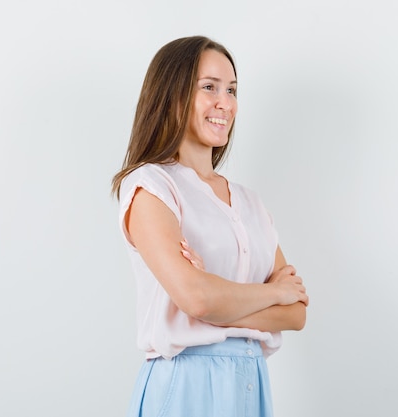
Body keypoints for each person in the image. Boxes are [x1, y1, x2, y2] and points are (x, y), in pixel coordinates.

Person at [111, 35, 309, 417]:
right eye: (209, 87)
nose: (226, 103)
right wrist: (270, 293)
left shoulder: (250, 202)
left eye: (232, 90)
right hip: (187, 384)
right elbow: (198, 299)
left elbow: (296, 312)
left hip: (251, 380)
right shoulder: (150, 186)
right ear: (173, 95)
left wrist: (217, 300)